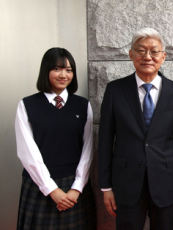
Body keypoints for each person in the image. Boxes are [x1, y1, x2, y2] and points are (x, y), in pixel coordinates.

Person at [98, 27, 173, 230]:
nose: (147, 56)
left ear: (163, 56)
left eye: (154, 51)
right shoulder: (115, 91)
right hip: (126, 183)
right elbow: (105, 141)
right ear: (131, 54)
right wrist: (106, 186)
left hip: (167, 181)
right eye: (141, 50)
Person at [15, 47, 94, 229]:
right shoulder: (27, 105)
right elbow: (27, 152)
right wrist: (51, 189)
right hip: (39, 185)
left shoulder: (83, 105)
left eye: (68, 70)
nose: (63, 75)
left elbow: (88, 149)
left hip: (74, 186)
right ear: (46, 71)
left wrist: (77, 187)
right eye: (57, 69)